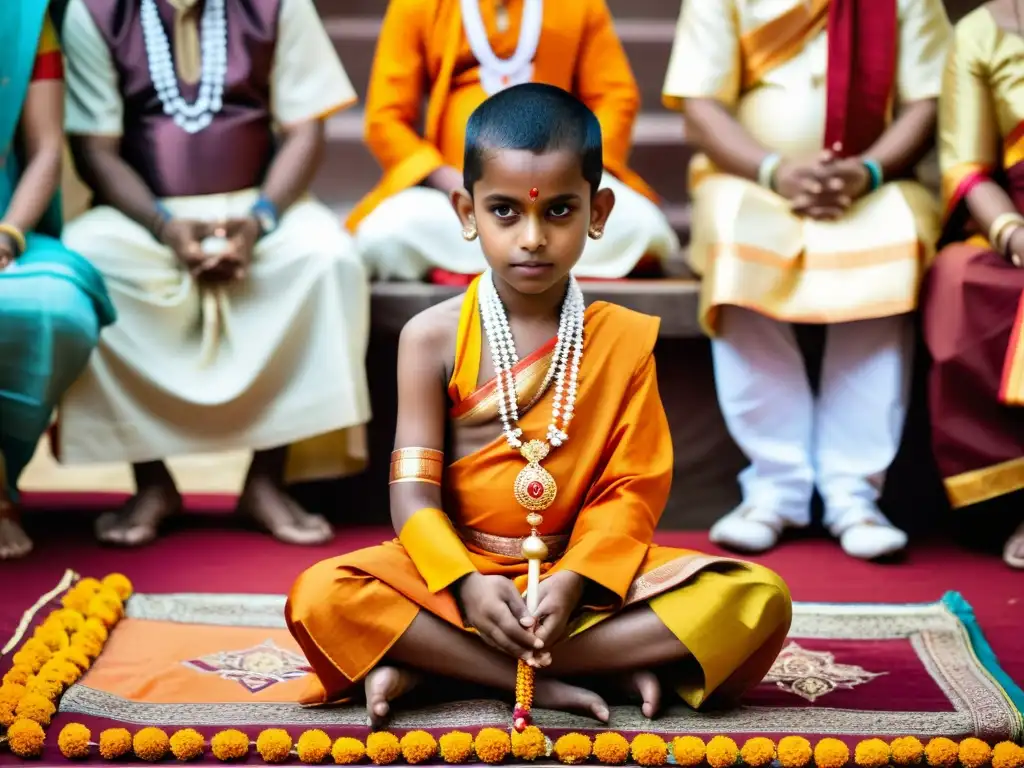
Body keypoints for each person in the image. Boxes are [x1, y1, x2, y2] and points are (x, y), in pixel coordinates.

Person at [287, 84, 792, 725]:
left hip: (582, 584)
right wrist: (464, 586)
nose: (531, 237)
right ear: (466, 212)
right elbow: (413, 496)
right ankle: (549, 676)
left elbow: (630, 494)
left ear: (598, 212)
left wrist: (576, 578)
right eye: (504, 211)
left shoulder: (624, 339)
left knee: (753, 597)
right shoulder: (432, 337)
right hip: (458, 575)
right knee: (322, 595)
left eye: (558, 212)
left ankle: (441, 664)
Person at [54, 0, 371, 547]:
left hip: (261, 209)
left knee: (328, 257)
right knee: (88, 259)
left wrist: (259, 220)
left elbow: (305, 131)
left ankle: (266, 480)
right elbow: (94, 150)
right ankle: (151, 480)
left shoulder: (278, 6)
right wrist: (162, 225)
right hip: (144, 217)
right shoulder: (95, 11)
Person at [661, 0, 951, 559]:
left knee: (896, 236)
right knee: (733, 235)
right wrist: (774, 170)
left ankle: (854, 494)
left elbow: (925, 104)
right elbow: (701, 107)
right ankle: (776, 489)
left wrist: (867, 172)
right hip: (750, 179)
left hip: (872, 181)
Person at [348, 0, 679, 283]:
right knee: (384, 236)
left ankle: (491, 260)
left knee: (644, 230)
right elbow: (385, 118)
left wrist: (573, 167)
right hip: (460, 190)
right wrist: (445, 178)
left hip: (559, 188)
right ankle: (537, 262)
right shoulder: (418, 4)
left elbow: (615, 98)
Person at [0, 1, 116, 559]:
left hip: (6, 228)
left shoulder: (23, 17)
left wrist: (7, 236)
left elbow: (45, 149)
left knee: (54, 308)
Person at [922, 0, 1024, 570]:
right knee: (959, 281)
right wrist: (1013, 234)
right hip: (1015, 224)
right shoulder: (984, 31)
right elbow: (967, 167)